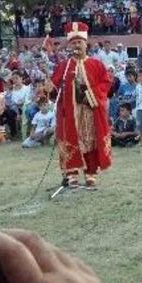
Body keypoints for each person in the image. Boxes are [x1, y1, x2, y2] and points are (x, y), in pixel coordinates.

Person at [50, 22, 112, 189]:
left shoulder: (96, 64)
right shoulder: (64, 66)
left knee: (90, 141)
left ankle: (91, 173)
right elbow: (54, 87)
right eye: (74, 42)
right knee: (71, 139)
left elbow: (106, 83)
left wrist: (91, 95)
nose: (77, 45)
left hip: (90, 110)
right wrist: (49, 87)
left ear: (86, 44)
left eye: (80, 42)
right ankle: (71, 174)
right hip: (70, 112)